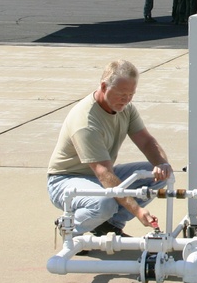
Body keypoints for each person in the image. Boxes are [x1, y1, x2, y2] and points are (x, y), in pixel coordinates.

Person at [47, 60, 173, 236]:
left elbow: (146, 141)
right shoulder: (86, 122)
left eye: (131, 94)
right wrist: (137, 211)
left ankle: (108, 225)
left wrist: (162, 163)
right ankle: (70, 227)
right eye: (122, 94)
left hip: (99, 176)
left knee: (158, 175)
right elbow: (104, 174)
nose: (126, 99)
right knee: (105, 202)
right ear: (104, 87)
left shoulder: (126, 108)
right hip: (66, 179)